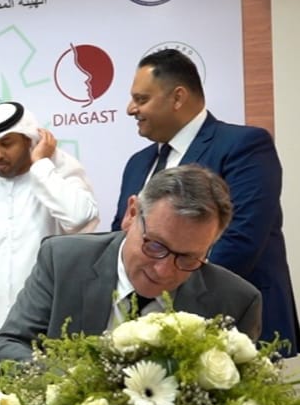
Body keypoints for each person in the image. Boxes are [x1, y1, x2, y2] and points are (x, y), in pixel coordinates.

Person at [110, 48, 297, 355]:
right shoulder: (137, 163)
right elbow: (121, 235)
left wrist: (167, 307)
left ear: (178, 97)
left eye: (141, 99)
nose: (131, 109)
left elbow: (240, 241)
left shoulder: (244, 146)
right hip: (143, 333)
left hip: (236, 327)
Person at [0, 165, 261, 367]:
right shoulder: (63, 260)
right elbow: (4, 349)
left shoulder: (235, 301)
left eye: (188, 258)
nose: (164, 270)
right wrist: (69, 387)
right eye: (155, 246)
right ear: (131, 214)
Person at [0, 101, 99, 394]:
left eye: (6, 144)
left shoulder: (58, 178)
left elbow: (81, 219)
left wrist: (42, 166)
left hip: (47, 332)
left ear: (30, 139)